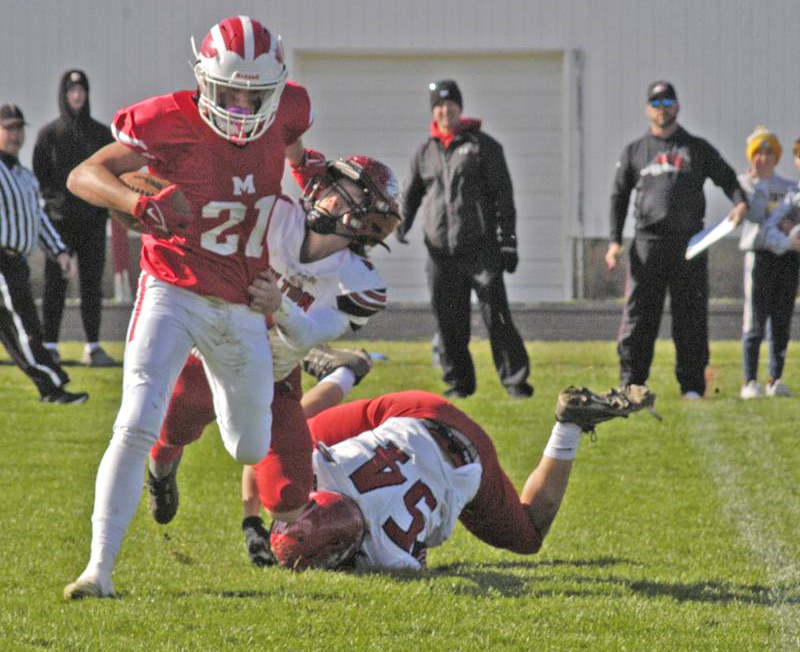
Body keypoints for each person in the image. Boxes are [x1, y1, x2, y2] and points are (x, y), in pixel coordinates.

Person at [63, 15, 314, 600]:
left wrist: (313, 174)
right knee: (134, 420)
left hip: (240, 302)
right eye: (230, 91)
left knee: (250, 444)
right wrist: (135, 203)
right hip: (171, 285)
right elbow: (84, 174)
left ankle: (175, 448)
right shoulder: (167, 121)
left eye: (257, 95)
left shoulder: (291, 110)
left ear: (276, 90)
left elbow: (294, 146)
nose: (244, 106)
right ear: (204, 80)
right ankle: (98, 569)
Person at [146, 155, 399, 535]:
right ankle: (161, 472)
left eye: (341, 193)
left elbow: (310, 336)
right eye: (330, 186)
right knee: (172, 431)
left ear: (366, 218)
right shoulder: (279, 215)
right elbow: (286, 155)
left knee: (288, 497)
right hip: (214, 351)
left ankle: (277, 540)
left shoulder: (360, 282)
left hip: (273, 376)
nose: (326, 195)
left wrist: (278, 305)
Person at [265, 383, 656, 571]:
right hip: (413, 409)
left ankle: (569, 426)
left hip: (468, 457)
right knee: (283, 431)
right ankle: (342, 372)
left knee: (528, 536)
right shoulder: (323, 469)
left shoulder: (389, 556)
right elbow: (279, 451)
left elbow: (410, 563)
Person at [605, 81, 748, 400]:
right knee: (640, 318)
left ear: (678, 106)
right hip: (647, 244)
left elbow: (728, 178)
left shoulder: (696, 148)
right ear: (647, 109)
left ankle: (693, 386)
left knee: (691, 316)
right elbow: (618, 196)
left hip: (690, 245)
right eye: (656, 102)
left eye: (668, 100)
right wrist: (614, 242)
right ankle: (632, 385)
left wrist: (740, 203)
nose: (662, 107)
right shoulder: (635, 151)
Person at [398, 79, 532, 400]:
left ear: (461, 107)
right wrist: (399, 226)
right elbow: (410, 195)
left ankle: (516, 383)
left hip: (480, 249)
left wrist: (508, 241)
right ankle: (459, 384)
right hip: (440, 253)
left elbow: (504, 198)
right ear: (434, 111)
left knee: (496, 315)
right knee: (449, 321)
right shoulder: (424, 151)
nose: (446, 111)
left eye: (451, 105)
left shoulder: (484, 147)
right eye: (440, 106)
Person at [0, 103, 88, 404]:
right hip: (2, 262)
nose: (15, 135)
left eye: (18, 129)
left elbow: (38, 221)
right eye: (8, 128)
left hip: (17, 262)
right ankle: (52, 386)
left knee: (17, 329)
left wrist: (60, 251)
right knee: (26, 325)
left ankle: (50, 386)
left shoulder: (24, 176)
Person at [33, 69, 116, 366]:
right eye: (71, 90)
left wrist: (102, 209)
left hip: (93, 223)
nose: (77, 95)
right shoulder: (49, 135)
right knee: (55, 283)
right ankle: (51, 345)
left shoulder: (101, 134)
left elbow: (111, 175)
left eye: (81, 90)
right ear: (64, 94)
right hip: (59, 225)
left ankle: (93, 346)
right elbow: (41, 177)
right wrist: (55, 208)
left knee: (91, 285)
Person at [736, 127, 800, 399]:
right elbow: (752, 217)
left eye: (769, 152)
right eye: (758, 153)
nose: (764, 158)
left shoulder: (789, 187)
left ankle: (776, 378)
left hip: (787, 260)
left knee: (782, 318)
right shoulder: (745, 185)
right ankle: (750, 380)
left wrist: (792, 226)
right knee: (754, 320)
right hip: (759, 256)